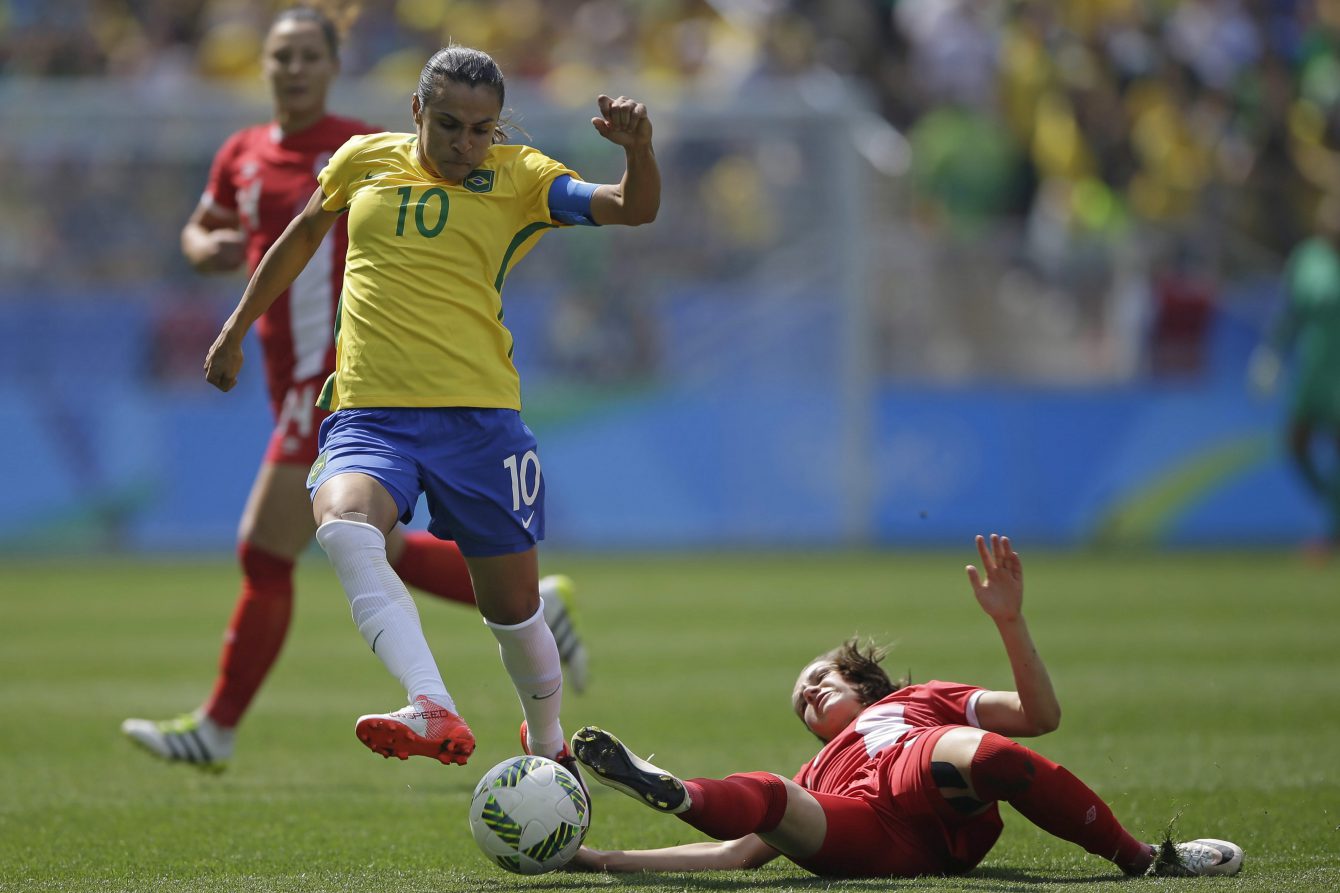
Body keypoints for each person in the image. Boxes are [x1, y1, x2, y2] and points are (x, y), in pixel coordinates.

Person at [121, 6, 588, 774]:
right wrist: (213, 259)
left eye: (308, 54)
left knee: (280, 546)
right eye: (280, 55)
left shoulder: (370, 146)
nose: (293, 68)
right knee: (380, 542)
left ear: (334, 65)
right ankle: (530, 615)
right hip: (289, 376)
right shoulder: (242, 151)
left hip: (351, 381)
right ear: (263, 65)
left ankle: (220, 726)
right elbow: (206, 230)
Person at [199, 42, 658, 772]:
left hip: (480, 424)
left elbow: (633, 208)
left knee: (514, 614)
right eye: (448, 124)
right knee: (346, 526)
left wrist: (639, 152)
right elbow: (301, 236)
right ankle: (431, 703)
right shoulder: (362, 160)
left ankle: (548, 747)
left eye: (481, 130)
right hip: (371, 415)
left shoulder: (523, 178)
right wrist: (235, 328)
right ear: (416, 110)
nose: (464, 143)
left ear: (499, 129)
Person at [568, 534, 1244, 879]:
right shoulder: (817, 768)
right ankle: (678, 789)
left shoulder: (917, 703)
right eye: (800, 702)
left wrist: (1010, 622)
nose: (807, 693)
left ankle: (1144, 858)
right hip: (868, 832)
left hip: (920, 772)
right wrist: (596, 858)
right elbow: (728, 858)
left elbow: (1040, 718)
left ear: (862, 680)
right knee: (775, 794)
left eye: (816, 677)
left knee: (994, 753)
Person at [1249, 192, 1340, 552]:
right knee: (1296, 443)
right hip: (1314, 366)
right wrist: (1272, 355)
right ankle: (1333, 507)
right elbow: (1290, 313)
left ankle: (1333, 533)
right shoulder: (1308, 259)